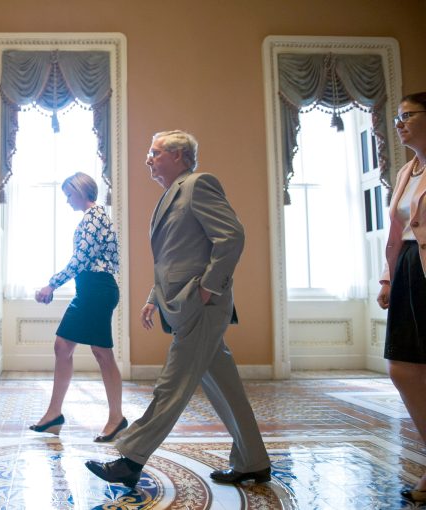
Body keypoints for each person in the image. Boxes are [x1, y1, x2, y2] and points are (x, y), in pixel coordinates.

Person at [85, 130, 271, 489]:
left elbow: (231, 236)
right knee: (225, 386)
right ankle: (253, 461)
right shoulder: (172, 194)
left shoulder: (199, 184)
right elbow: (175, 256)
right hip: (183, 304)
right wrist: (154, 298)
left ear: (179, 156)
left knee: (171, 385)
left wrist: (208, 287)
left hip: (201, 306)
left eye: (154, 153)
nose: (148, 160)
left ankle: (130, 459)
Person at [30, 172, 127, 442]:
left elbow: (80, 260)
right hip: (89, 290)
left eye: (68, 194)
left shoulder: (93, 218)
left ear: (80, 191)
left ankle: (117, 418)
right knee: (63, 346)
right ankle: (54, 415)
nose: (67, 200)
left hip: (97, 290)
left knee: (101, 352)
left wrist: (51, 284)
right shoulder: (93, 218)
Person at [376, 92, 426, 505]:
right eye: (396, 117)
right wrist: (387, 279)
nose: (399, 122)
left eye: (407, 115)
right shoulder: (407, 171)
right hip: (409, 269)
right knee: (402, 366)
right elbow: (396, 234)